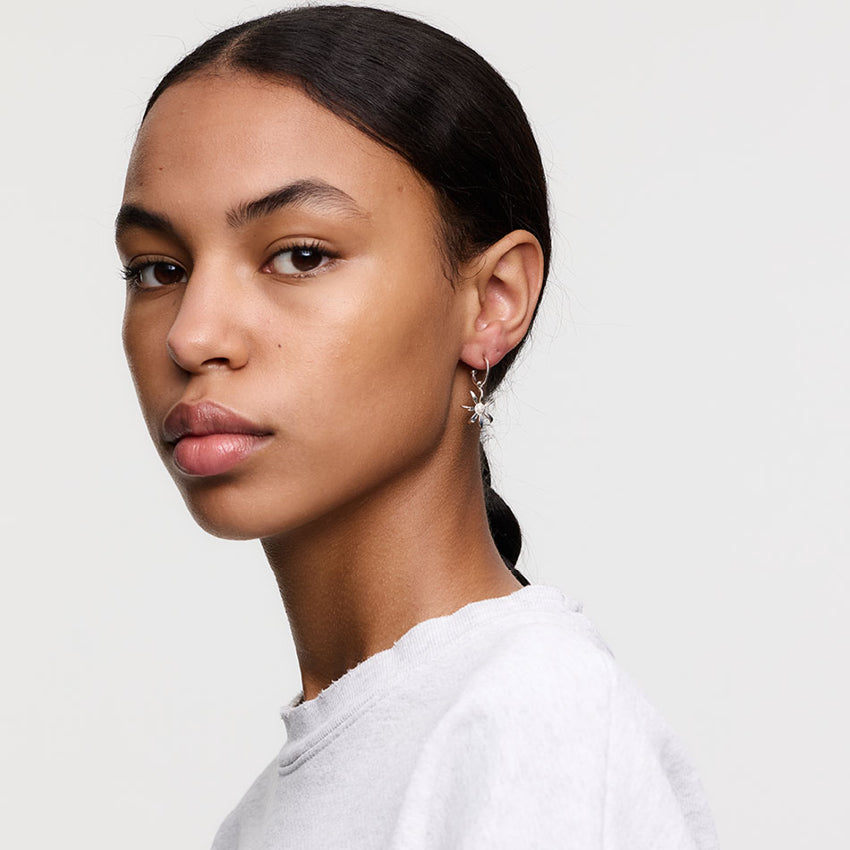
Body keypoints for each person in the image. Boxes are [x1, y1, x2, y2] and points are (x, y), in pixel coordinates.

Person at [116, 5, 719, 848]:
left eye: (301, 255)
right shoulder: (268, 816)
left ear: (493, 300)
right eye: (158, 269)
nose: (191, 335)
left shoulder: (531, 721)